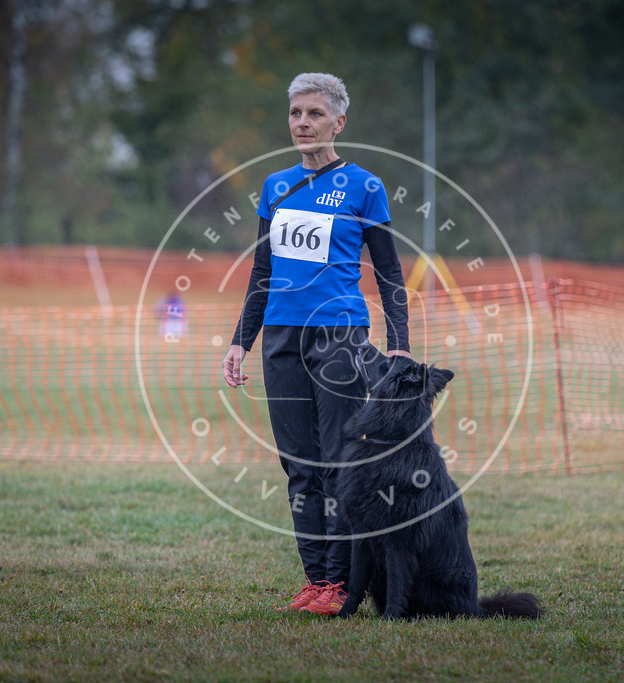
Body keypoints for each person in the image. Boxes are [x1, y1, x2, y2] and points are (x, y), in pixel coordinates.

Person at [222, 72, 411, 615]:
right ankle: (315, 580)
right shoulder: (275, 186)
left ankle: (341, 584)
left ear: (339, 122)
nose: (302, 123)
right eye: (295, 113)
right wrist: (241, 342)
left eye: (314, 114)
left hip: (340, 339)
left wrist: (397, 344)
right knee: (298, 465)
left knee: (337, 463)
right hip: (280, 339)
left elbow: (391, 274)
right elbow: (262, 272)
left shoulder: (364, 186)